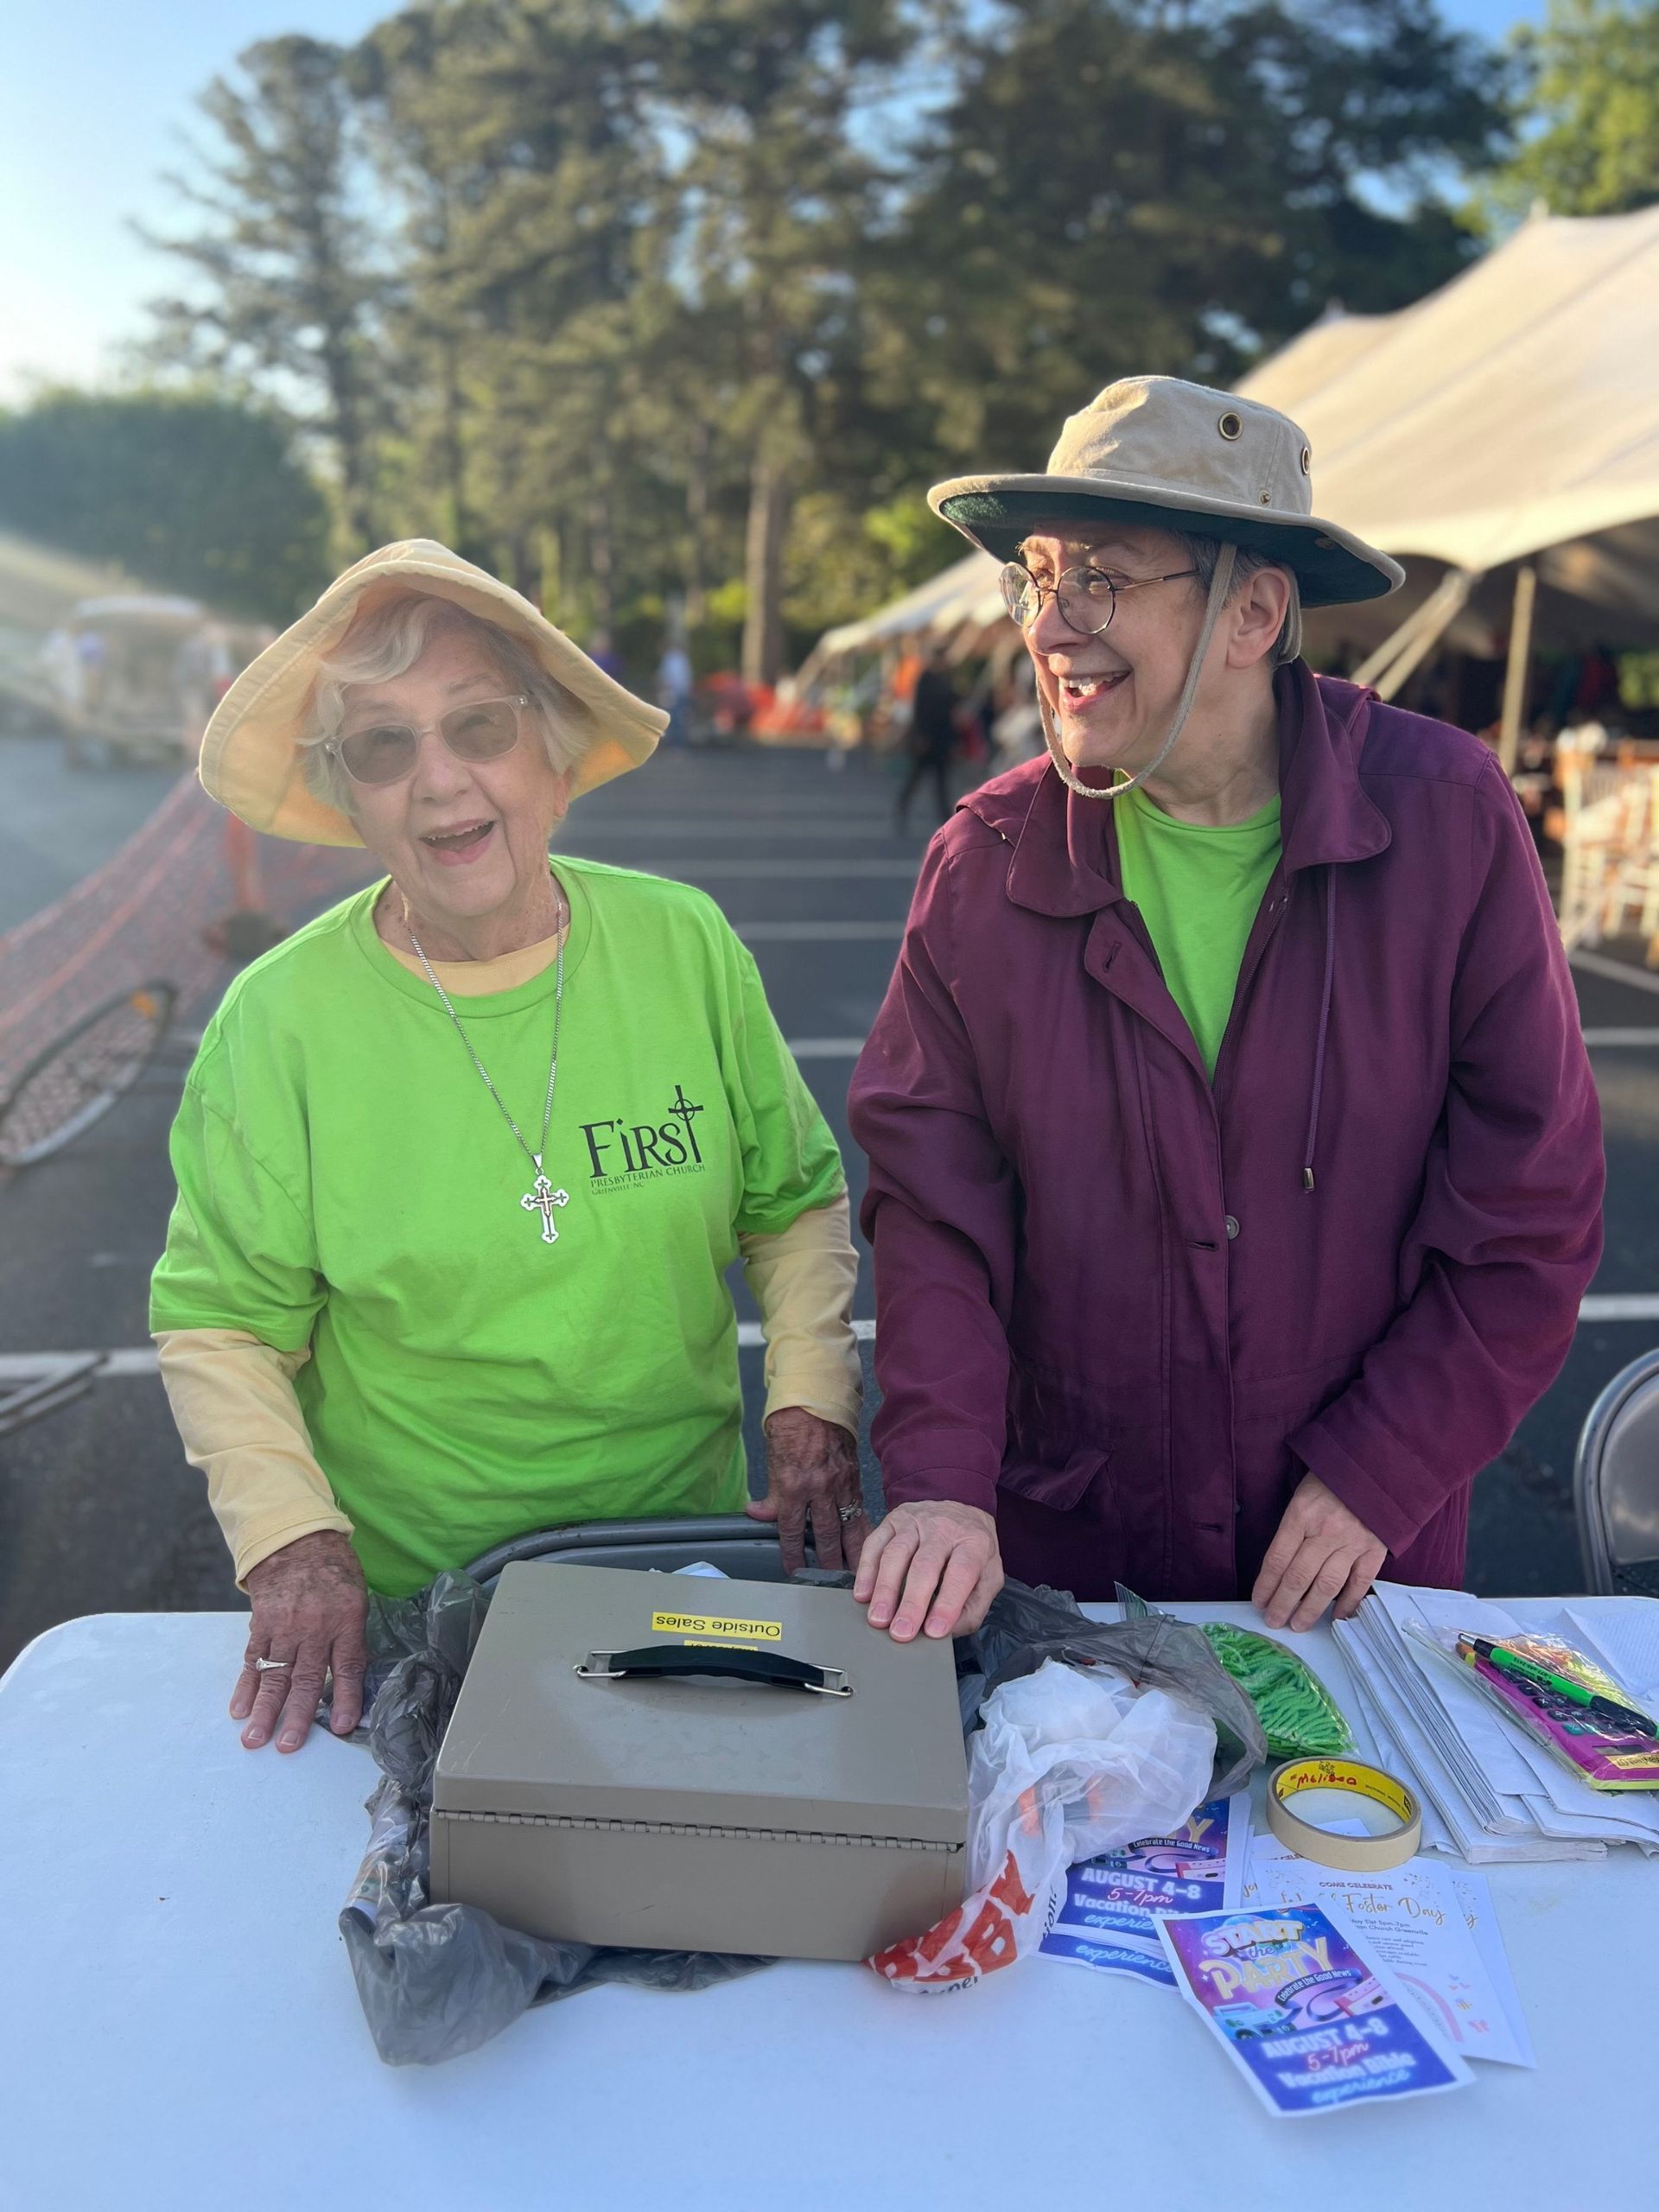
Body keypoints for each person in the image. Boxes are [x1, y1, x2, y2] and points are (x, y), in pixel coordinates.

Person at [848, 377, 1603, 1646]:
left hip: (1357, 1568)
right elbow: (936, 1215)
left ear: (1254, 609)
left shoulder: (1448, 819)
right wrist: (939, 1483)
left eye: (1102, 576)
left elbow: (1529, 1211)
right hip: (1071, 1570)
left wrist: (1385, 1465)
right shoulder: (985, 862)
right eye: (1035, 578)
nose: (1051, 626)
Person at [151, 541, 866, 1756]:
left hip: (678, 1566)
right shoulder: (278, 1022)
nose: (440, 783)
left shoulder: (681, 943)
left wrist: (810, 1403)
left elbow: (791, 1199)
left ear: (549, 753)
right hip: (419, 1602)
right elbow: (221, 1321)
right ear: (350, 794)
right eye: (384, 747)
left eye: (477, 726)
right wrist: (294, 1541)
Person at [896, 644, 960, 830]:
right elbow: (920, 709)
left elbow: (953, 704)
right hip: (927, 738)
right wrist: (920, 735)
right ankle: (902, 808)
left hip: (942, 739)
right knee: (915, 778)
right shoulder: (926, 678)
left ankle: (947, 822)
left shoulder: (947, 679)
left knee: (942, 783)